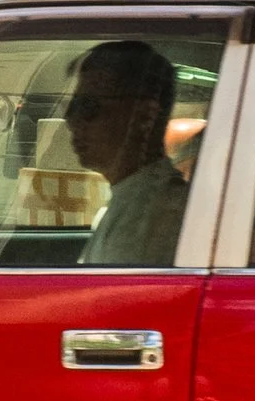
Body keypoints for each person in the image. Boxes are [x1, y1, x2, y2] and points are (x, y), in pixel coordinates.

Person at [64, 35, 190, 265]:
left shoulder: (151, 222)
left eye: (88, 107)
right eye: (71, 108)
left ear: (144, 116)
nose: (72, 122)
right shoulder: (134, 199)